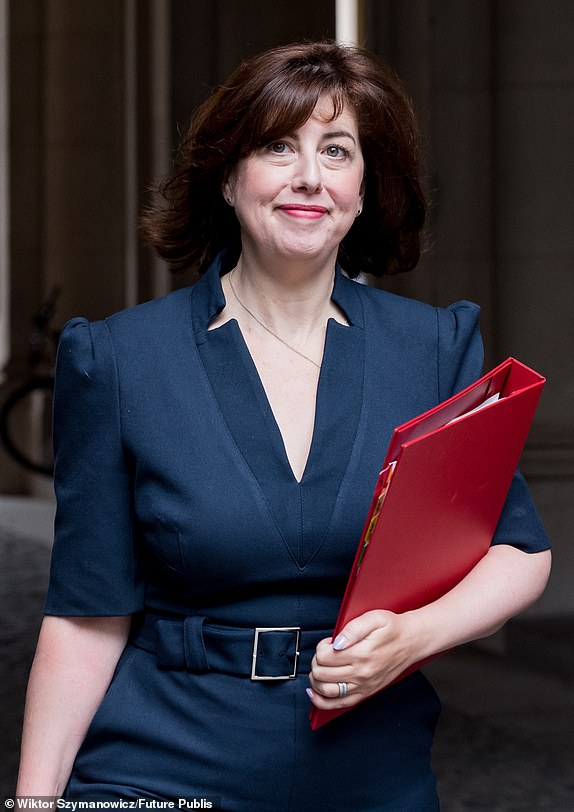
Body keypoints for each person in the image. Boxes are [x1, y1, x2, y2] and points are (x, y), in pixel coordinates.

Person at [17, 41, 551, 810]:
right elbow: (87, 616)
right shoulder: (119, 360)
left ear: (364, 189)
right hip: (164, 764)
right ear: (228, 178)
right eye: (277, 146)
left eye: (337, 151)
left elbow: (518, 548)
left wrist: (417, 636)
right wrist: (35, 803)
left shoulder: (432, 350)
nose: (309, 176)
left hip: (373, 769)